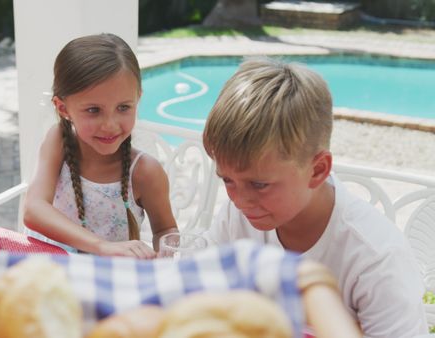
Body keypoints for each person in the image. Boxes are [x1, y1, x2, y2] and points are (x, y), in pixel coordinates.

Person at [201, 57, 428, 337]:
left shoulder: (375, 258)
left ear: (317, 170)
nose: (238, 200)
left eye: (259, 184)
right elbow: (200, 297)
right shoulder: (239, 218)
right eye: (227, 180)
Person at [23, 33, 178, 258]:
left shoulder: (145, 172)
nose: (110, 125)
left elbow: (165, 230)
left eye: (123, 107)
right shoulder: (59, 140)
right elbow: (33, 209)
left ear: (138, 98)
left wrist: (164, 256)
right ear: (63, 109)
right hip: (48, 268)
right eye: (94, 110)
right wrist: (101, 245)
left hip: (109, 282)